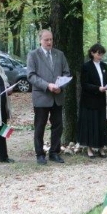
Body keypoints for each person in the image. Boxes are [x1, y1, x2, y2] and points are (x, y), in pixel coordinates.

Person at [27, 29, 71, 165]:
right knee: (40, 126)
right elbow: (31, 76)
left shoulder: (60, 54)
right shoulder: (33, 55)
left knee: (58, 126)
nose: (49, 42)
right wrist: (47, 85)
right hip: (42, 97)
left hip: (57, 97)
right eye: (46, 40)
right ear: (40, 40)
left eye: (51, 39)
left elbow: (67, 73)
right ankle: (40, 154)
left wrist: (61, 86)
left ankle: (54, 152)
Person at [77, 44, 107, 159]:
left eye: (102, 54)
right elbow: (84, 84)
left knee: (101, 123)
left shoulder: (104, 66)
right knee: (91, 124)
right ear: (92, 53)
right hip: (89, 100)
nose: (100, 56)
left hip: (101, 99)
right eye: (98, 54)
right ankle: (90, 148)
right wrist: (97, 88)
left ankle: (101, 147)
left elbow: (104, 82)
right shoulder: (86, 66)